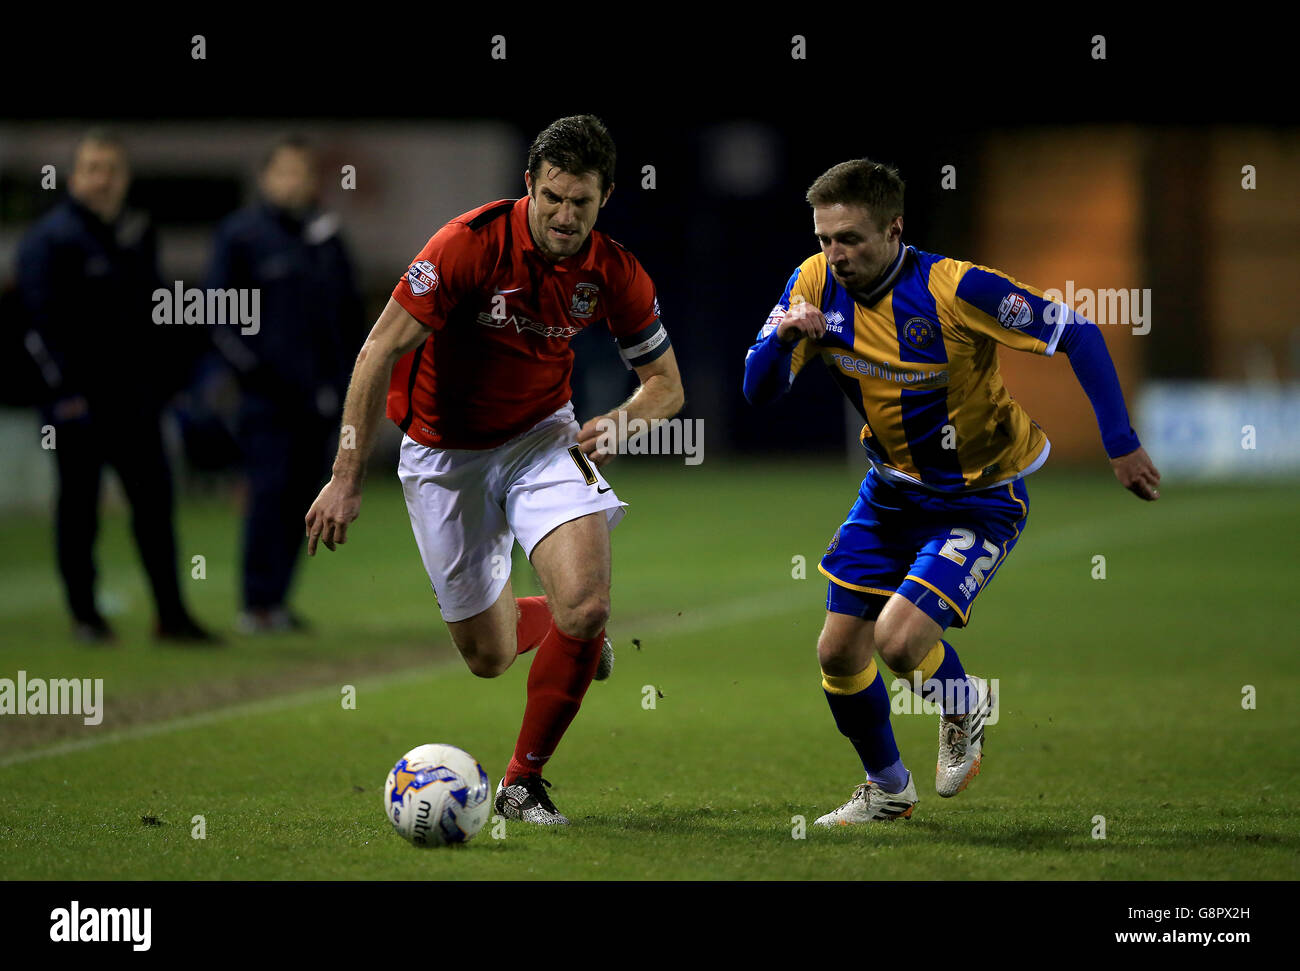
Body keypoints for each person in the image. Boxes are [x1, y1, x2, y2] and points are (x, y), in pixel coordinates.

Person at [743, 159, 1160, 825]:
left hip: (980, 496)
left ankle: (965, 702)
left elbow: (1076, 332)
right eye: (824, 238)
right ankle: (887, 789)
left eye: (848, 238)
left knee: (900, 642)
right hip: (889, 492)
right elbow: (758, 391)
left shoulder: (957, 288)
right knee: (836, 651)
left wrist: (1119, 440)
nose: (834, 254)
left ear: (894, 227)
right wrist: (789, 336)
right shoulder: (813, 282)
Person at [305, 115, 684, 825]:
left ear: (606, 198)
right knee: (488, 654)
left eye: (582, 202)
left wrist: (624, 421)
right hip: (443, 456)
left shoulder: (614, 270)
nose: (566, 216)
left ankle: (521, 782)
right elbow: (375, 351)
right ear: (529, 188)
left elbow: (667, 384)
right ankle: (574, 639)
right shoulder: (467, 245)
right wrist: (346, 476)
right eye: (553, 198)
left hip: (543, 438)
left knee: (588, 600)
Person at [15, 129, 216, 644]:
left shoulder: (136, 234)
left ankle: (171, 615)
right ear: (74, 175)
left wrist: (168, 381)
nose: (102, 178)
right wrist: (63, 393)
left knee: (155, 508)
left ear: (124, 178)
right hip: (77, 405)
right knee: (80, 510)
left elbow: (154, 316)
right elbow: (35, 326)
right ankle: (86, 616)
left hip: (136, 401)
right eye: (92, 168)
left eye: (112, 169)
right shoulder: (50, 239)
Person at [206, 135, 367, 634]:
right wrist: (252, 373)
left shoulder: (325, 235)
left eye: (303, 172)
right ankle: (255, 603)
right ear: (266, 177)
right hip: (267, 401)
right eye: (286, 172)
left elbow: (349, 316)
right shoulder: (242, 235)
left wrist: (348, 383)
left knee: (305, 498)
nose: (296, 182)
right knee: (269, 494)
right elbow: (218, 314)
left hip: (322, 401)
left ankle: (276, 601)